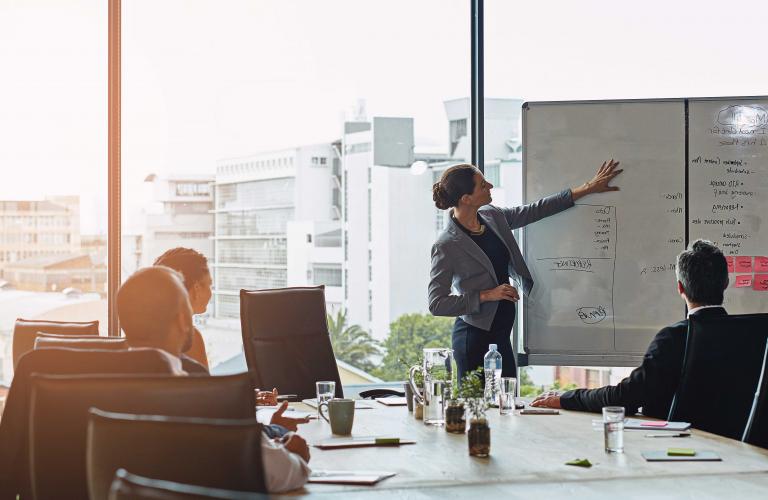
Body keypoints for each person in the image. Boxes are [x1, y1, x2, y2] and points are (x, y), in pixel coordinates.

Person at [117, 266, 311, 492]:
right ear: (182, 319)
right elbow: (280, 473)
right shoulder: (211, 398)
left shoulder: (93, 393)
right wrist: (295, 456)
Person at [429, 161, 622, 381]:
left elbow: (534, 210)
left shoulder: (492, 216)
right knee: (478, 410)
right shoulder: (446, 245)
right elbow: (436, 304)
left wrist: (588, 188)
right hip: (473, 337)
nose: (490, 186)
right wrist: (486, 295)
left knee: (506, 402)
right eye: (483, 185)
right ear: (466, 199)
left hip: (501, 333)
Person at [531, 240, 729, 419]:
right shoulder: (755, 337)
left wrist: (567, 398)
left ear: (680, 288)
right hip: (743, 449)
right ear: (726, 283)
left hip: (678, 446)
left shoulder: (675, 338)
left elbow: (627, 397)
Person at [153, 247, 212, 371]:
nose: (211, 292)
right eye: (209, 284)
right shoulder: (188, 337)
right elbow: (207, 388)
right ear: (196, 288)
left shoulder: (139, 333)